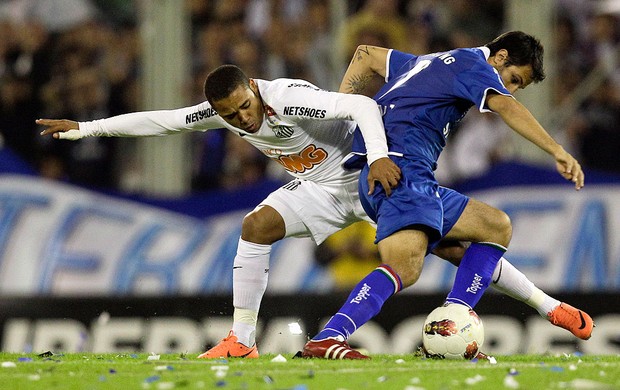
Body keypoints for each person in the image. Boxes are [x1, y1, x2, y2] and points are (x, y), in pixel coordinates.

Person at [38, 61, 591, 360]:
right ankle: (241, 341)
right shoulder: (224, 112)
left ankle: (546, 306)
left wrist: (378, 158)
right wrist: (85, 128)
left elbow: (359, 104)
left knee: (454, 249)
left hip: (364, 175)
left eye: (246, 107)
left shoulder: (285, 96)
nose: (245, 120)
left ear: (255, 89)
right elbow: (159, 121)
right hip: (317, 188)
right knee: (254, 226)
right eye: (232, 115)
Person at [302, 31, 591, 359]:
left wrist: (346, 112)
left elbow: (366, 55)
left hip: (411, 176)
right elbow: (508, 109)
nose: (509, 90)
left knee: (494, 226)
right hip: (401, 172)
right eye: (512, 79)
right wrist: (557, 150)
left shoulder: (425, 62)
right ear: (500, 57)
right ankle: (329, 337)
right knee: (405, 267)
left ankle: (462, 322)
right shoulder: (473, 65)